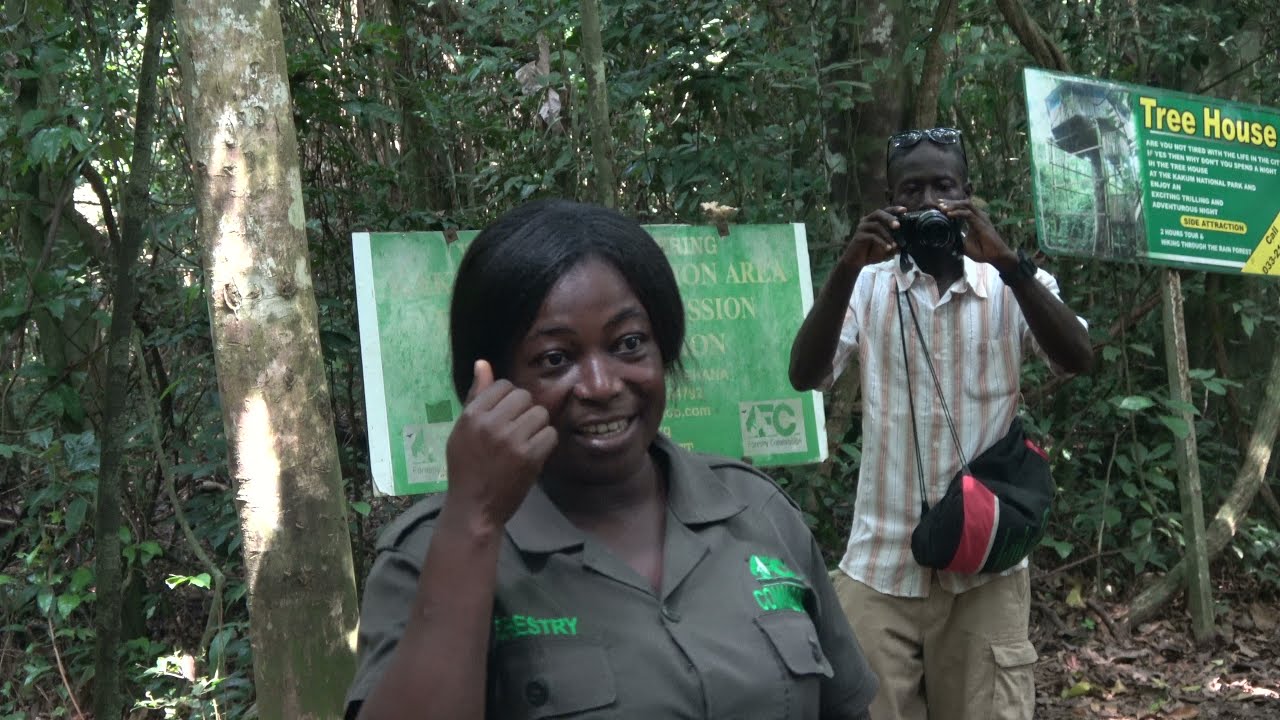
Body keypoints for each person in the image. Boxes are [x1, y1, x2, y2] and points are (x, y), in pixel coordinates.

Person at [346, 199, 879, 720]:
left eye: (628, 344)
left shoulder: (756, 510)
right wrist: (475, 522)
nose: (602, 386)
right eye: (555, 359)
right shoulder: (430, 553)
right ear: (491, 382)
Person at [788, 127, 1094, 720]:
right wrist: (847, 268)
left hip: (985, 571)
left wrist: (1007, 261)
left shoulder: (1011, 285)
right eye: (911, 189)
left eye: (943, 186)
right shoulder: (869, 287)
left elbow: (1078, 357)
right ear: (890, 202)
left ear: (968, 194)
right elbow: (805, 374)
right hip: (880, 564)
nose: (927, 201)